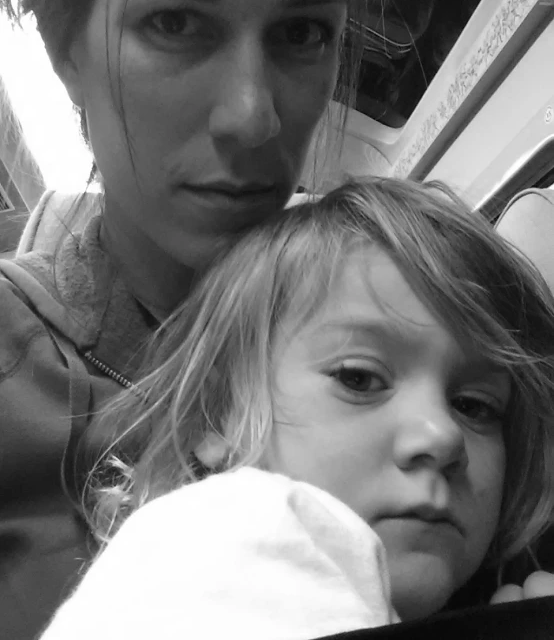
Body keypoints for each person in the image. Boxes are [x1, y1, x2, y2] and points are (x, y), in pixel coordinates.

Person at [0, 0, 373, 637]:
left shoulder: (406, 345)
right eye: (174, 23)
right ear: (64, 49)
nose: (252, 116)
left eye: (303, 33)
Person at [37, 178, 554, 638]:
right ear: (218, 415)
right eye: (359, 378)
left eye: (476, 405)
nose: (443, 436)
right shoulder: (213, 547)